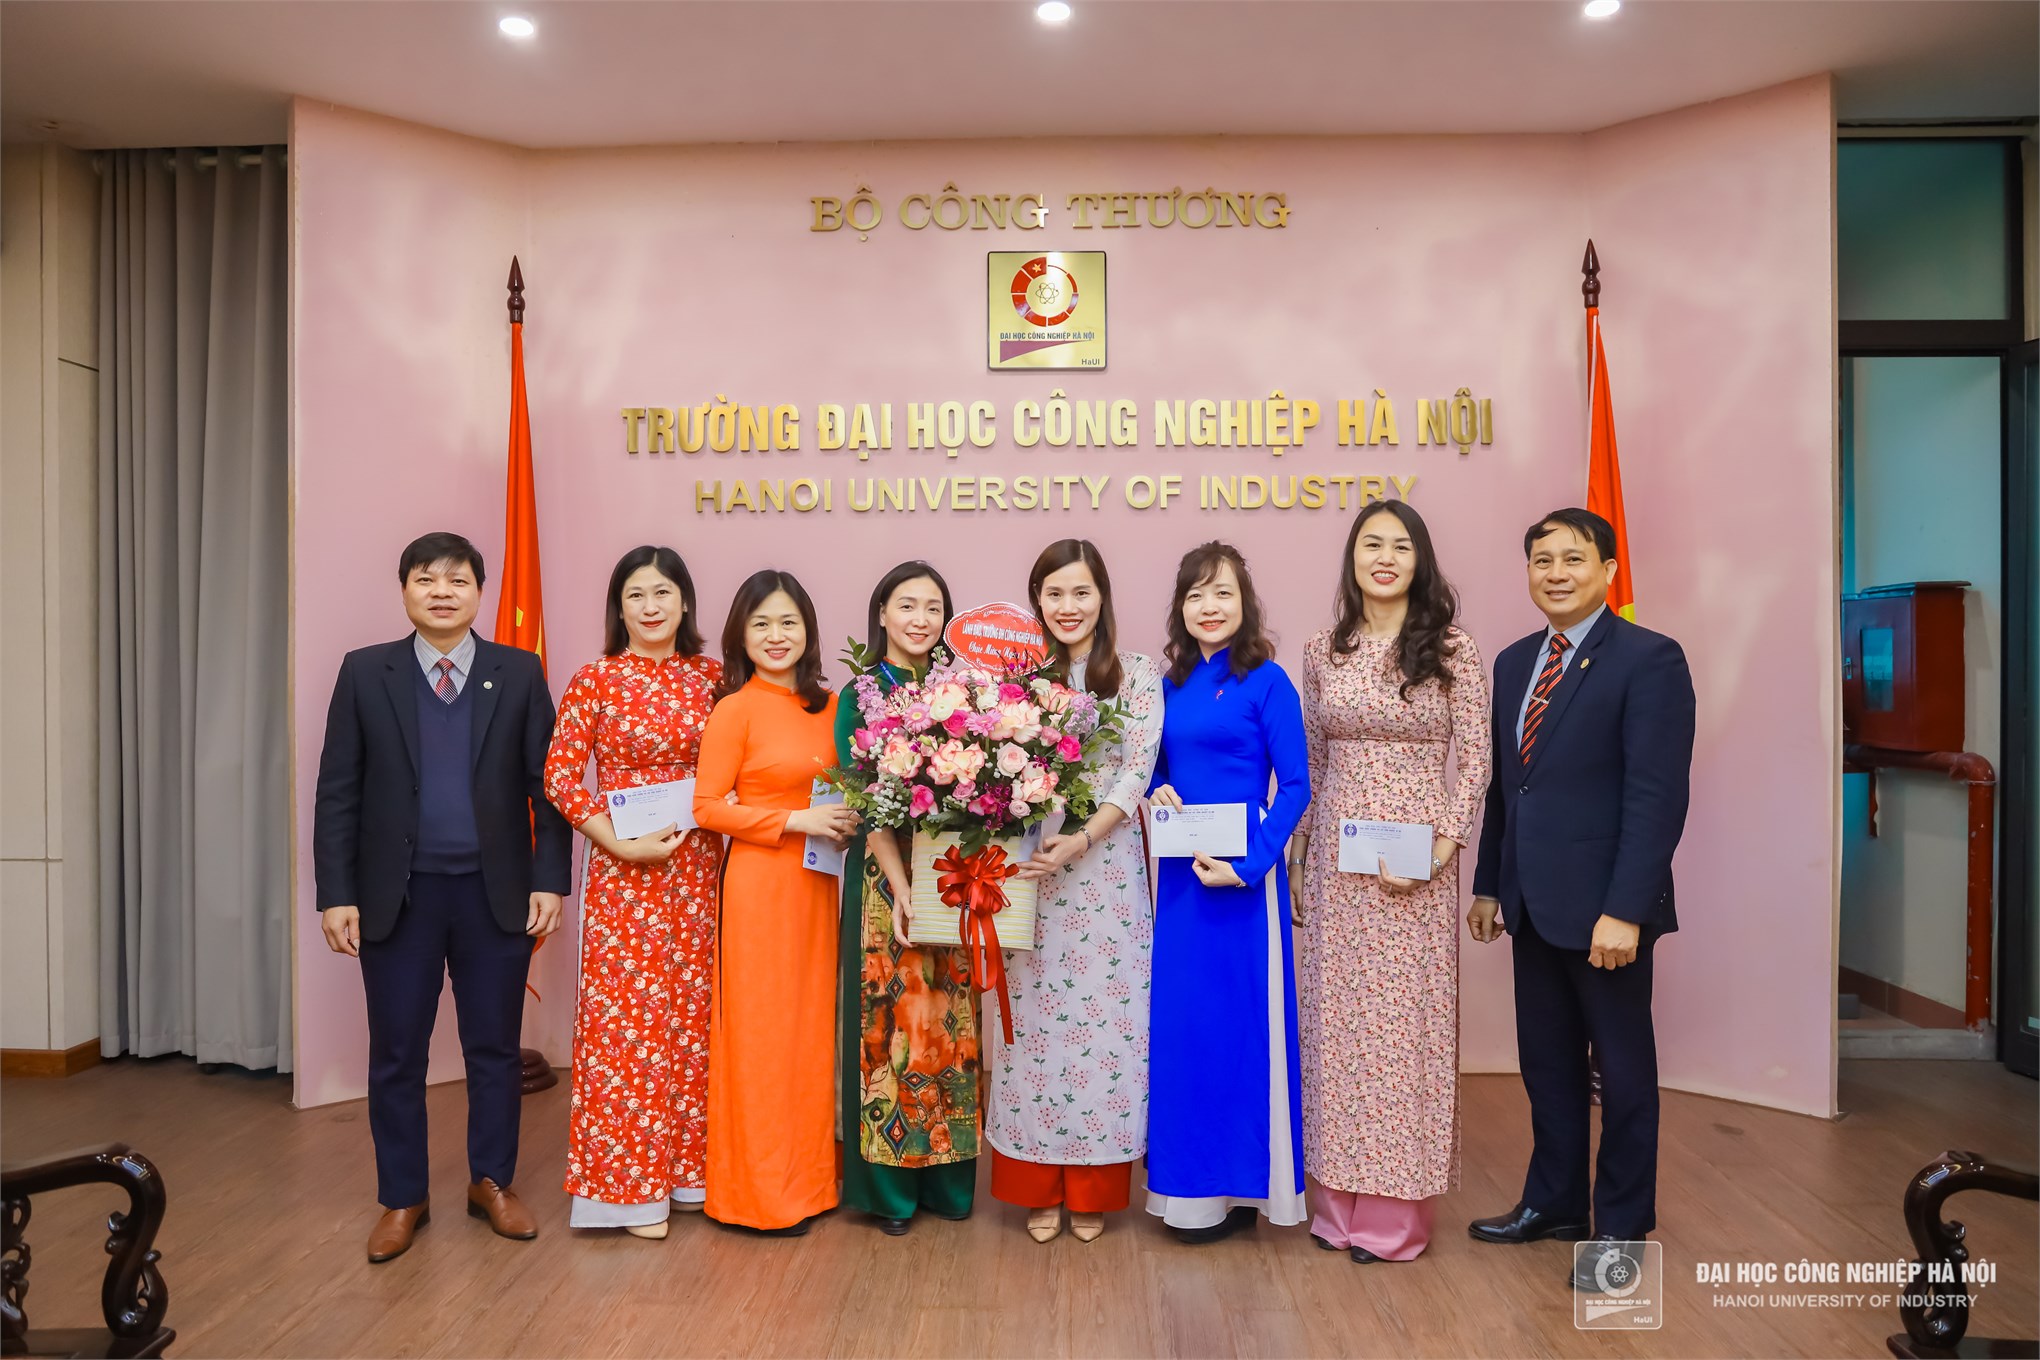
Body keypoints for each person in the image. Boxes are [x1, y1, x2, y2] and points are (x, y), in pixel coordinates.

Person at [313, 531, 571, 1264]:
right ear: (404, 590)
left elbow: (547, 789)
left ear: (479, 593)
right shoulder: (366, 672)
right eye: (426, 578)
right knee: (397, 1053)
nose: (442, 592)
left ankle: (491, 1182)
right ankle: (403, 1197)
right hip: (398, 898)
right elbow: (338, 791)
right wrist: (336, 893)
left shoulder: (517, 672)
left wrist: (550, 879)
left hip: (495, 896)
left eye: (458, 580)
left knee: (493, 1048)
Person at [1465, 507, 1694, 1294]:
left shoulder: (1649, 659)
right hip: (1531, 904)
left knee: (1621, 1077)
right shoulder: (1513, 663)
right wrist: (1489, 882)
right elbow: (1508, 788)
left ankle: (1620, 1232)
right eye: (1542, 560)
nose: (1555, 573)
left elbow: (1657, 798)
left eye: (1573, 558)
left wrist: (1626, 909)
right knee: (1547, 1065)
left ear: (1608, 571)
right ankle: (1554, 1202)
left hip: (1607, 912)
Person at [1292, 502, 1491, 1264]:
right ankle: (1334, 1204)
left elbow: (1475, 760)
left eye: (1400, 546)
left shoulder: (1451, 650)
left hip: (1414, 868)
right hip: (1337, 866)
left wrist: (1440, 853)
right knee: (1337, 1031)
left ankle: (1392, 1216)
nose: (1384, 557)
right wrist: (1301, 855)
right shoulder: (1322, 650)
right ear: (1352, 558)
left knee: (1403, 1034)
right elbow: (1312, 761)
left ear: (1420, 560)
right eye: (1371, 544)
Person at [544, 546, 721, 1240]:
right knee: (628, 1030)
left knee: (694, 1021)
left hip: (700, 869)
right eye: (636, 595)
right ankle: (627, 1194)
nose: (651, 606)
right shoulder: (597, 679)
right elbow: (561, 777)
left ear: (685, 602)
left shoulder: (713, 677)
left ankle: (690, 1175)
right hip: (625, 875)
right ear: (619, 607)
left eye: (663, 592)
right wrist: (616, 843)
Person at [993, 540, 1164, 1245]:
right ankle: (1036, 1185)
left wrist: (1084, 838)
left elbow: (1137, 770)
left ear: (1102, 598)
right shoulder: (1017, 679)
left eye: (1081, 592)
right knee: (1032, 1031)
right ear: (1038, 600)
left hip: (1107, 870)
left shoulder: (1138, 673)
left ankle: (1092, 1186)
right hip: (1032, 868)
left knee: (1107, 1029)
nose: (1068, 606)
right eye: (1054, 593)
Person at [1144, 541, 1312, 1244]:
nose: (1209, 607)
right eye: (1195, 595)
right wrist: (1160, 792)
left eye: (1223, 594)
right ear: (1180, 609)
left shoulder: (1268, 682)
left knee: (1244, 1034)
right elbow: (1154, 771)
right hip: (1184, 883)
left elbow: (1296, 786)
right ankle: (1189, 1195)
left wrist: (1251, 865)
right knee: (1185, 1033)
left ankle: (1247, 1186)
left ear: (1245, 604)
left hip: (1243, 887)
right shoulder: (1168, 684)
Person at [694, 570, 860, 1234]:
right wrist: (795, 821)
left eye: (788, 621)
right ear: (740, 635)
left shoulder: (834, 705)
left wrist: (844, 821)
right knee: (763, 1037)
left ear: (808, 630)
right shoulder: (734, 709)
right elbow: (708, 808)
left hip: (819, 885)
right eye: (760, 623)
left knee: (812, 1033)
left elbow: (850, 788)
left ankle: (813, 1184)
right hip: (760, 887)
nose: (775, 635)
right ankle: (760, 1197)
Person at [833, 561, 980, 1236]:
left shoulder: (965, 692)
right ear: (882, 614)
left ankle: (947, 1184)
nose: (920, 619)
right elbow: (865, 803)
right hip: (884, 879)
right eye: (907, 605)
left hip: (952, 873)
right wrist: (901, 889)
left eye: (933, 608)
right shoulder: (861, 694)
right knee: (890, 1029)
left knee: (951, 1027)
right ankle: (888, 1192)